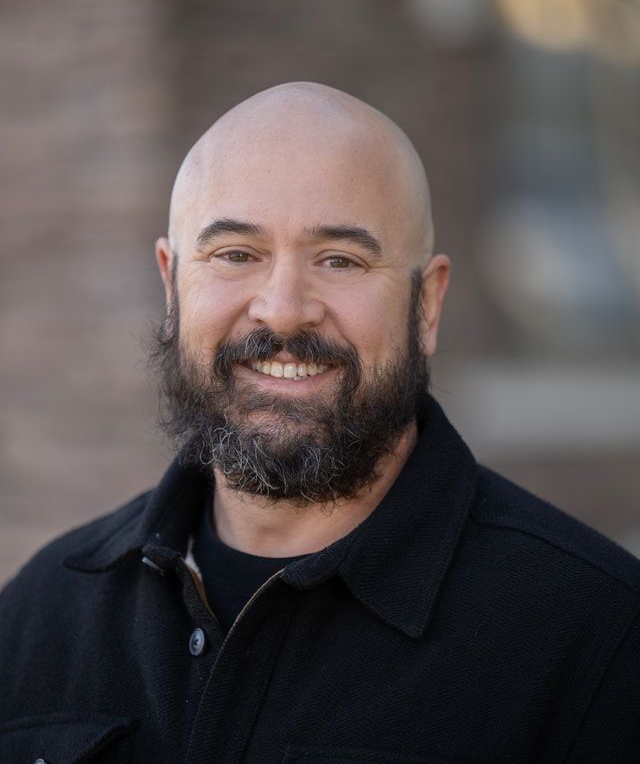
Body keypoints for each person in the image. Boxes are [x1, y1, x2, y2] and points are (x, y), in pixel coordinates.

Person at [1, 83, 639, 763]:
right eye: (236, 254)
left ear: (427, 304)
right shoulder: (40, 614)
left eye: (340, 260)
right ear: (171, 285)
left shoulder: (598, 638)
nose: (282, 310)